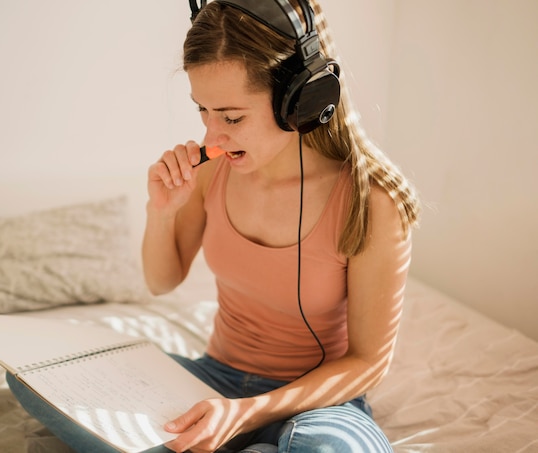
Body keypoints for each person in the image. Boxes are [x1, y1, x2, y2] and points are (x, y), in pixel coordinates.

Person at [141, 0, 420, 452]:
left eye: (232, 117)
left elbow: (368, 362)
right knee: (47, 386)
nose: (212, 137)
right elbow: (161, 281)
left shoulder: (372, 201)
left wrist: (245, 414)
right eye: (203, 112)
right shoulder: (212, 170)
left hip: (320, 401)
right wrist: (161, 210)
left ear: (300, 100)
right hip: (215, 380)